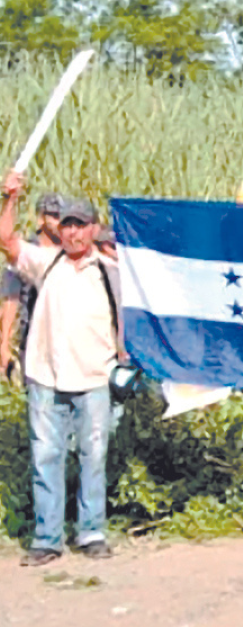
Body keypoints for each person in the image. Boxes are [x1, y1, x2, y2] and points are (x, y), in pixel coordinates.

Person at [0, 174, 122, 566]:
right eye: (66, 224)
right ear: (59, 229)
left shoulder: (108, 270)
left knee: (93, 456)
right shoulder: (44, 263)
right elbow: (6, 240)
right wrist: (11, 198)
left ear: (92, 228)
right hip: (46, 377)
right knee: (46, 457)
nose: (72, 232)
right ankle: (47, 538)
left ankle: (92, 532)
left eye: (80, 224)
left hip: (94, 378)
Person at [0, 191, 64, 381]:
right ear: (40, 219)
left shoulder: (69, 252)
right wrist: (4, 343)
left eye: (61, 216)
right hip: (33, 338)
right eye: (53, 215)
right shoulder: (27, 253)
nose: (58, 221)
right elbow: (11, 299)